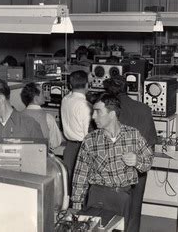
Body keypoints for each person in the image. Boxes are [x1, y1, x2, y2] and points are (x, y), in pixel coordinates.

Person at [71, 94, 154, 232]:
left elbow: (149, 161)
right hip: (98, 196)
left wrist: (137, 161)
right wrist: (76, 202)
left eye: (98, 111)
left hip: (124, 197)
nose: (93, 116)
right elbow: (81, 173)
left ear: (112, 114)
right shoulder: (90, 140)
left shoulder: (133, 135)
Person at [103, 76, 157, 232]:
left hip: (110, 168)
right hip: (136, 168)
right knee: (134, 209)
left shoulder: (105, 112)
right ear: (127, 88)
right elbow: (151, 142)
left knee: (110, 210)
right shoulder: (144, 109)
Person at [61, 70, 92, 192]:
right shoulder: (86, 105)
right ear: (87, 85)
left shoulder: (65, 99)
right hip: (82, 148)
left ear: (70, 85)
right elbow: (87, 134)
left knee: (68, 186)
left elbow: (71, 94)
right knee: (81, 186)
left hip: (69, 148)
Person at [20, 82, 63, 149]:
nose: (45, 95)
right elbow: (55, 143)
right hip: (41, 156)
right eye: (42, 93)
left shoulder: (17, 116)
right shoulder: (48, 118)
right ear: (36, 99)